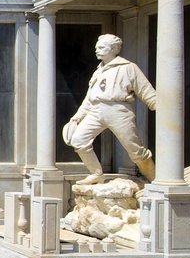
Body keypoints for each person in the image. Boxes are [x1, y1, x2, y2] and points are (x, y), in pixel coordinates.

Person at [63, 34, 156, 184]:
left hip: (118, 109)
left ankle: (155, 179)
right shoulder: (98, 71)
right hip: (96, 110)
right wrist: (77, 117)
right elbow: (89, 98)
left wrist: (162, 108)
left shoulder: (128, 67)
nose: (96, 50)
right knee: (79, 140)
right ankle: (96, 173)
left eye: (101, 47)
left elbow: (146, 91)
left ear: (113, 49)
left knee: (135, 150)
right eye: (96, 48)